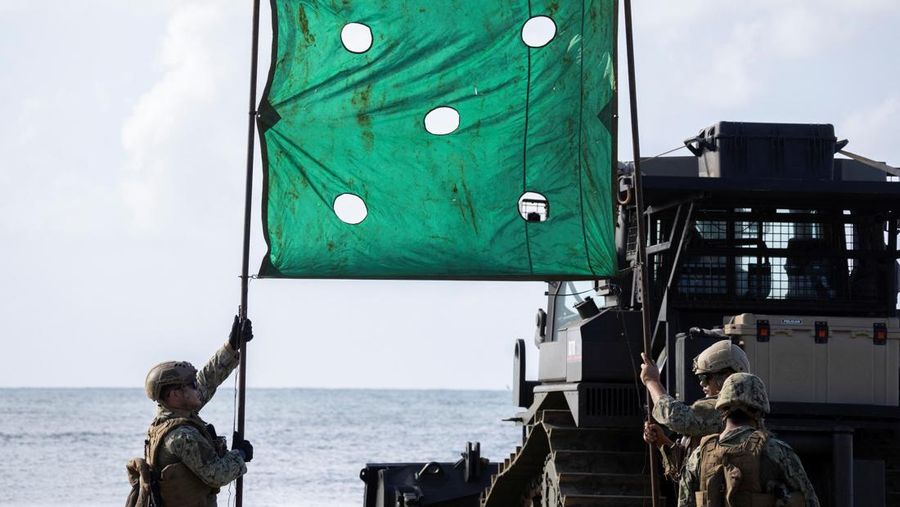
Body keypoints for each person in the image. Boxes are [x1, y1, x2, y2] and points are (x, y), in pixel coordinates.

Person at [131, 316, 255, 507]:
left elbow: (207, 380)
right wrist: (240, 455)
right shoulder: (182, 436)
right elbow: (217, 474)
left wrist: (231, 346)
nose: (198, 387)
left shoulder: (168, 416)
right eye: (191, 384)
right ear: (174, 395)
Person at [678, 373, 819, 507]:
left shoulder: (699, 455)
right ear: (759, 412)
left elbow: (684, 502)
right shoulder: (776, 451)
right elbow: (809, 500)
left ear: (722, 411)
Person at [640, 333, 751, 481]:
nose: (702, 384)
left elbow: (675, 417)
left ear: (726, 376)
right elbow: (691, 467)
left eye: (705, 377)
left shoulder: (726, 408)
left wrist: (652, 382)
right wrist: (663, 441)